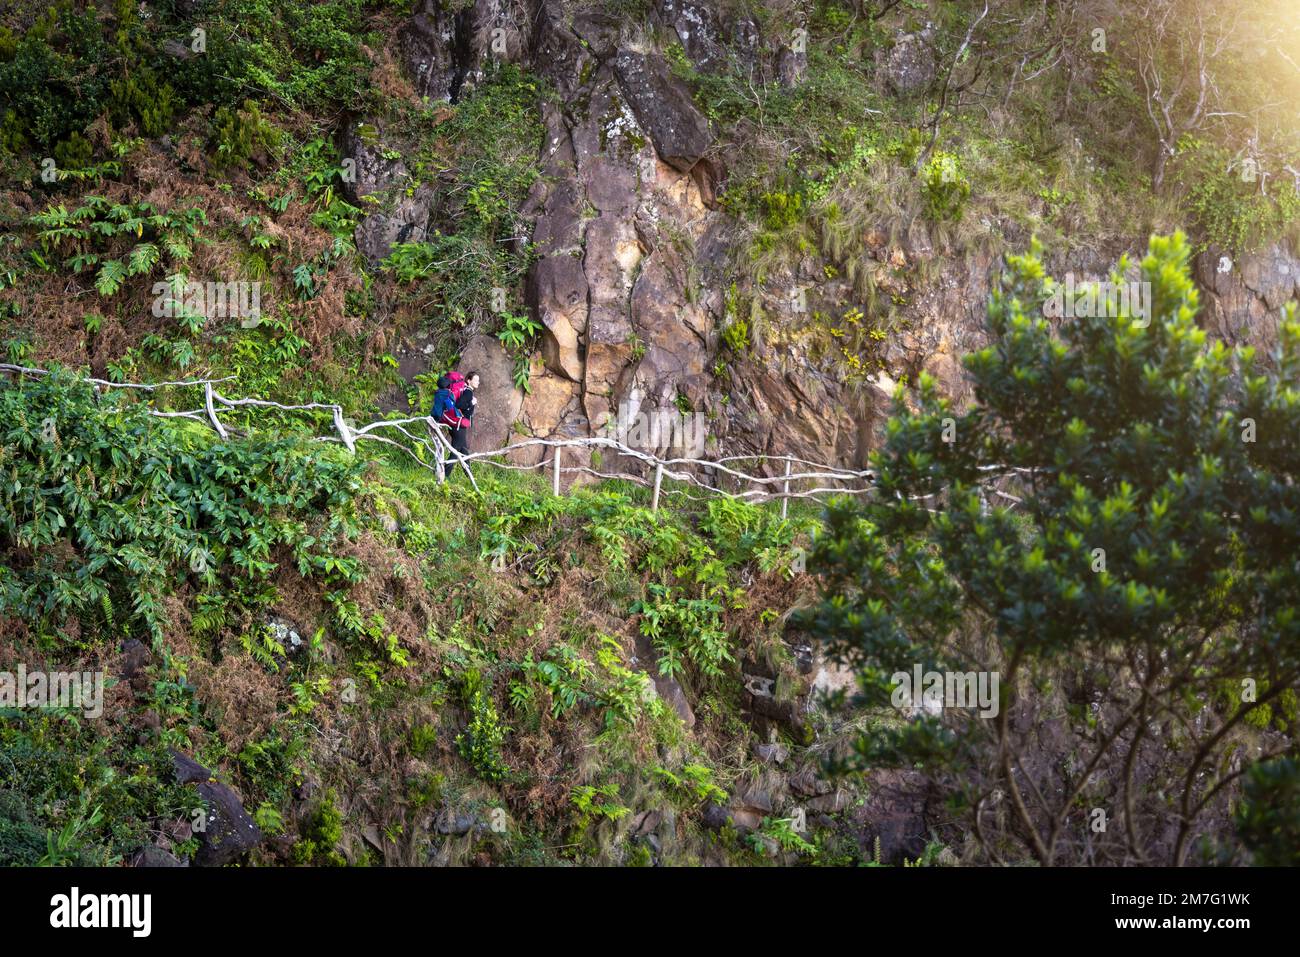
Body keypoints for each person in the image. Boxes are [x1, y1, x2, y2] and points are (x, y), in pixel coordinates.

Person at [431, 372, 471, 479]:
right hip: (457, 424)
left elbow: (440, 410)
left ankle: (469, 475)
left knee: (463, 450)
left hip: (453, 423)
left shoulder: (442, 393)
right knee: (456, 451)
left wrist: (437, 419)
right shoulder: (448, 393)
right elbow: (450, 408)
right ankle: (444, 475)